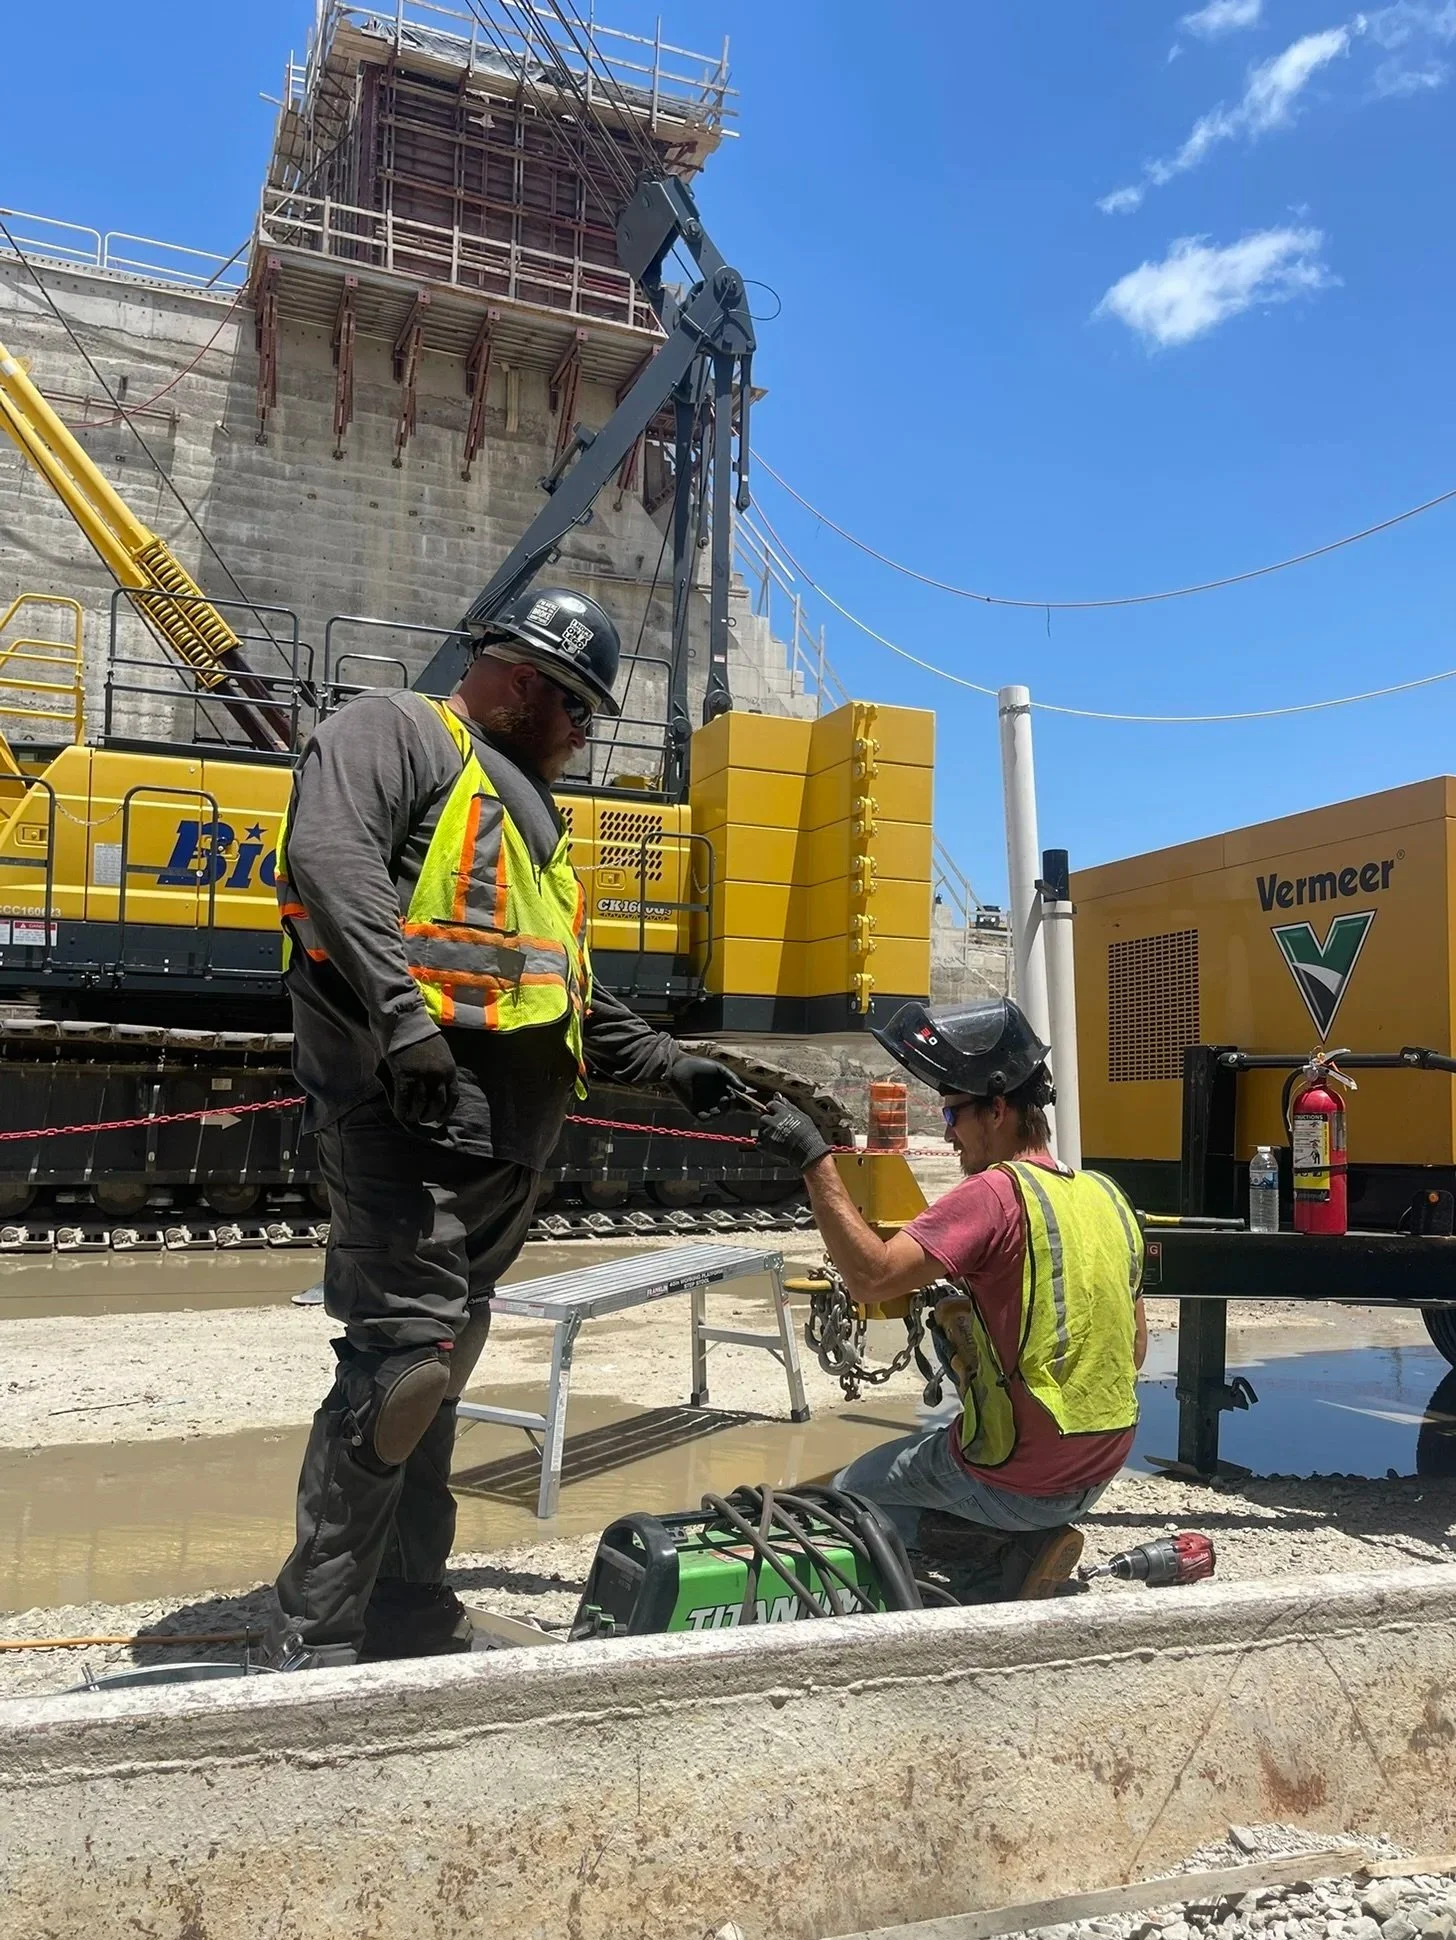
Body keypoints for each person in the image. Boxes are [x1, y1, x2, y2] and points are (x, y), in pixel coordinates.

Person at [265, 586, 742, 1667]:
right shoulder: (397, 732)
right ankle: (311, 1639)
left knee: (439, 1373)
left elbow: (557, 979)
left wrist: (672, 1063)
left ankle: (405, 1610)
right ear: (530, 681)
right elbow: (331, 860)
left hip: (499, 1155)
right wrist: (401, 1021)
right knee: (400, 1378)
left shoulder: (523, 808)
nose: (583, 737)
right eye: (580, 713)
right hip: (406, 1121)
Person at [754, 997, 1145, 1595]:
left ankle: (990, 1564)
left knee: (851, 1493)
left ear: (996, 1109)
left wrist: (814, 1161)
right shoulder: (1106, 1196)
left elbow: (872, 1277)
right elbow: (1134, 1349)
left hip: (1024, 1479)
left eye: (954, 1112)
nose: (946, 1130)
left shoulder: (994, 1193)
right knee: (942, 1448)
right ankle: (1023, 1540)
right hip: (1100, 1468)